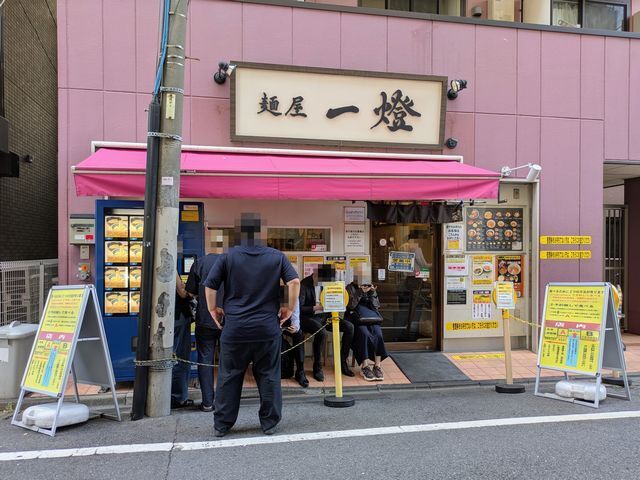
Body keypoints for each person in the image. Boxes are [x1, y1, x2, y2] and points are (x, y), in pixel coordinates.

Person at [204, 213, 300, 437]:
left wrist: (213, 309)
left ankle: (222, 425)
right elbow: (294, 282)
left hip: (235, 328)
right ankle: (269, 423)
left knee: (229, 376)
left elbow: (210, 285)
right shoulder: (277, 256)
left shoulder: (228, 257)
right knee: (269, 375)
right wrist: (288, 308)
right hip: (267, 328)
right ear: (261, 233)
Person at [299, 264, 354, 381]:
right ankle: (317, 366)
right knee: (322, 333)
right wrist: (317, 307)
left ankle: (342, 362)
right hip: (309, 317)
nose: (324, 284)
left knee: (349, 327)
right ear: (315, 275)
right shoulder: (303, 284)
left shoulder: (329, 284)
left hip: (326, 317)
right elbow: (299, 308)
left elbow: (337, 298)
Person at [186, 253, 223, 412]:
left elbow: (190, 292)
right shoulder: (233, 262)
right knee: (228, 360)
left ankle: (208, 402)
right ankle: (225, 401)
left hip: (205, 318)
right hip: (229, 320)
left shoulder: (200, 262)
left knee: (205, 360)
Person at [345, 270, 388, 382]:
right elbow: (350, 306)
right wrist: (360, 292)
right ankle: (365, 366)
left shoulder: (370, 288)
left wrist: (372, 293)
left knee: (378, 334)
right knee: (364, 334)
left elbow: (376, 306)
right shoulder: (350, 288)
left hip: (371, 318)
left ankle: (377, 366)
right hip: (356, 319)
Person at [171, 272, 195, 408]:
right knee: (181, 357)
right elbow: (182, 292)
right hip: (178, 316)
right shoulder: (170, 264)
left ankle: (172, 395)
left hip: (167, 317)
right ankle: (178, 397)